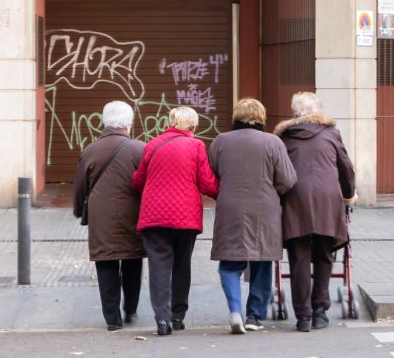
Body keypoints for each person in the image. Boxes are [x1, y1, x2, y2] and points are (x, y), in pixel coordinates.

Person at [208, 98, 296, 334]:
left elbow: (213, 171)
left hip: (230, 207)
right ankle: (254, 317)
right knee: (262, 261)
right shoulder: (272, 142)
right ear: (262, 116)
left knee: (229, 264)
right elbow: (288, 180)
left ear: (236, 116)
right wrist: (271, 191)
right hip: (264, 208)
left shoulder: (220, 141)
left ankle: (235, 310)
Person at [132, 106, 219, 336]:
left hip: (154, 216)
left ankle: (162, 319)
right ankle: (178, 316)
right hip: (186, 217)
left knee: (159, 267)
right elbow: (207, 183)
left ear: (170, 122)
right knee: (182, 265)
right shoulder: (196, 146)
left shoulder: (152, 144)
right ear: (193, 126)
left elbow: (139, 181)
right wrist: (224, 193)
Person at [274, 92, 356, 332]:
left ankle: (303, 317)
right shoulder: (332, 134)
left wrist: (279, 195)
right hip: (327, 200)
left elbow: (278, 172)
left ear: (294, 112)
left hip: (295, 200)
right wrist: (348, 193)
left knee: (299, 259)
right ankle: (320, 312)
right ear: (318, 110)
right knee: (323, 254)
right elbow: (346, 168)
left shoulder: (284, 138)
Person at [73, 101, 146, 331]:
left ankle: (112, 319)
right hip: (132, 214)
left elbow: (79, 188)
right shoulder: (140, 149)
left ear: (103, 123)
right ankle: (131, 310)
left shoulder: (91, 150)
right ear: (129, 124)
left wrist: (78, 210)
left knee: (106, 264)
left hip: (101, 216)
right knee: (133, 261)